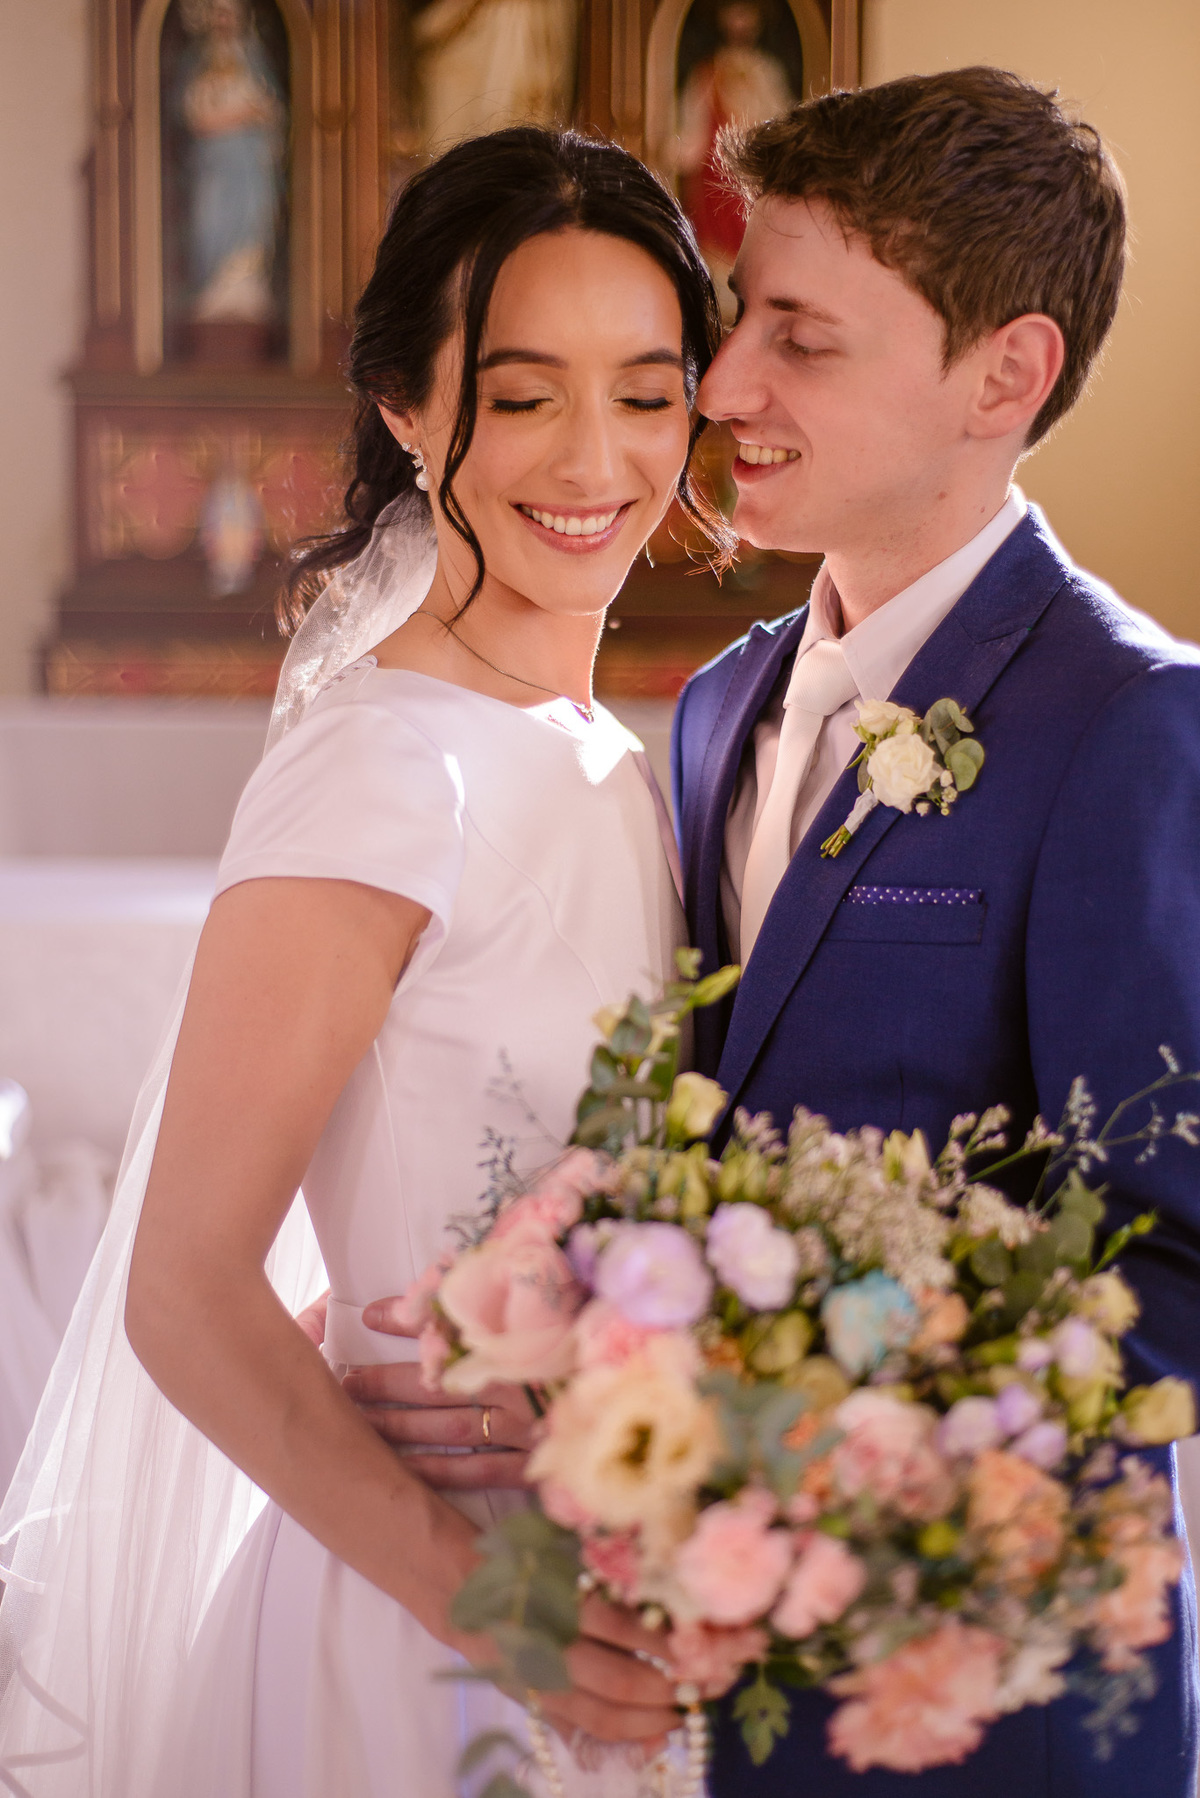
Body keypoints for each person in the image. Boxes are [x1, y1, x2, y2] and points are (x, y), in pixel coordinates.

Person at [0, 127, 734, 1797]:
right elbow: (183, 1288)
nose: (598, 455)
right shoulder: (387, 764)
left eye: (646, 391)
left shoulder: (608, 755)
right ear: (406, 406)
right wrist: (494, 1604)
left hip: (626, 1573)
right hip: (428, 1637)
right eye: (524, 394)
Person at [670, 68, 1200, 1797]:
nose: (723, 384)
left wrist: (848, 1435)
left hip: (986, 1701)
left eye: (801, 339)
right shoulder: (714, 709)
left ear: (1006, 374)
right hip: (727, 1682)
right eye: (740, 314)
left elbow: (1175, 1268)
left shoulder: (1134, 723)